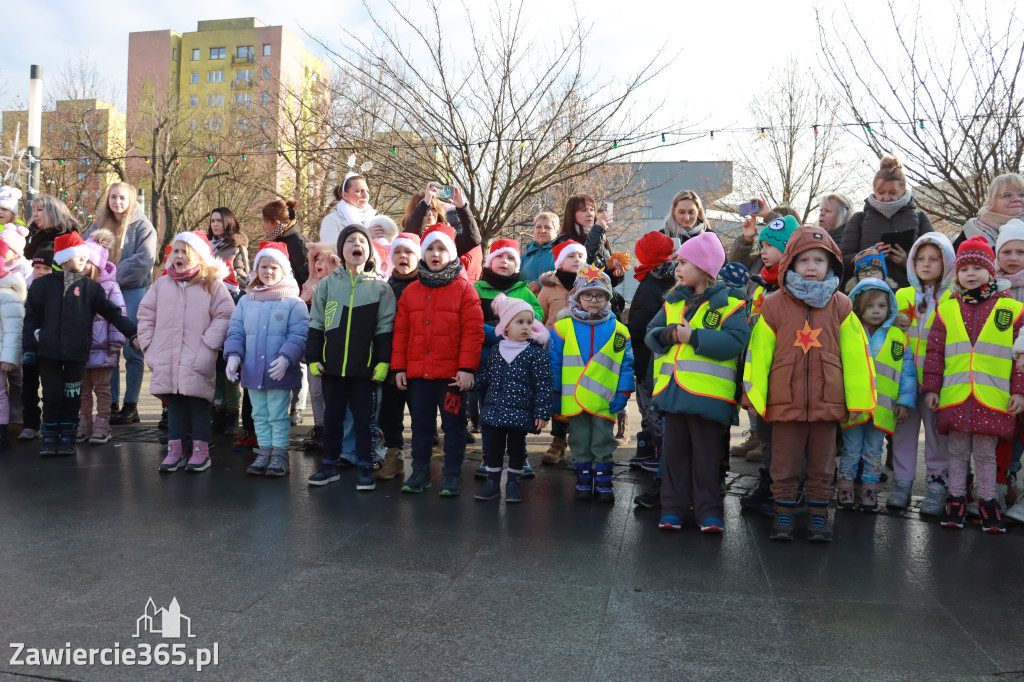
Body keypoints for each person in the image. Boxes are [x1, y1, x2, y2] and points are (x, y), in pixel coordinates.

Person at [743, 225, 876, 542]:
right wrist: (754, 395)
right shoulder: (774, 305)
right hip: (784, 402)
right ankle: (784, 515)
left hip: (827, 402)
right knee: (784, 464)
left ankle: (818, 515)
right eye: (803, 260)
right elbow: (758, 354)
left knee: (822, 465)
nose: (811, 266)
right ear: (791, 263)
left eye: (819, 260)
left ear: (831, 264)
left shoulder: (841, 305)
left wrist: (859, 400)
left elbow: (856, 356)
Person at [644, 233, 749, 532]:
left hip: (708, 397)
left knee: (706, 459)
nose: (676, 268)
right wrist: (669, 334)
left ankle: (709, 512)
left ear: (704, 268)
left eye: (683, 262)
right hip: (674, 394)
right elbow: (651, 333)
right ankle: (672, 510)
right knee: (673, 457)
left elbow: (736, 340)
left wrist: (694, 337)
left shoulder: (730, 303)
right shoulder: (672, 301)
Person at [923, 236, 1024, 533]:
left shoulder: (1012, 309)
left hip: (991, 399)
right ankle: (955, 499)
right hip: (956, 396)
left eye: (977, 268)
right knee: (956, 453)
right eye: (964, 268)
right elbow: (934, 352)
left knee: (985, 455)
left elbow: (1020, 357)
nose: (970, 274)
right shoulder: (946, 309)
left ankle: (988, 502)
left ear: (991, 272)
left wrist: (1019, 391)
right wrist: (931, 388)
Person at [23, 232, 137, 456]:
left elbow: (112, 313)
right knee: (52, 396)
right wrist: (29, 347)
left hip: (76, 353)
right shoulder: (41, 286)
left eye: (86, 256)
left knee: (72, 396)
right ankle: (50, 437)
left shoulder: (91, 288)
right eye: (79, 256)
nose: (85, 259)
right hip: (48, 353)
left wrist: (133, 333)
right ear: (64, 258)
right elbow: (31, 319)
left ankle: (68, 437)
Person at [392, 224, 484, 496]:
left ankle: (452, 473)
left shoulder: (464, 289)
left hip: (452, 377)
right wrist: (399, 368)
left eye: (441, 248)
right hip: (419, 375)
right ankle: (420, 471)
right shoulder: (411, 291)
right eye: (430, 248)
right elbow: (401, 332)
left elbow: (473, 332)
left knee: (453, 426)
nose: (435, 253)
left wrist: (467, 368)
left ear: (452, 253)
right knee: (420, 425)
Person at [306, 224, 395, 491]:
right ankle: (329, 465)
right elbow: (316, 323)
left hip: (365, 371)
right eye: (350, 241)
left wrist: (383, 362)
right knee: (332, 419)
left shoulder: (380, 288)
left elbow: (385, 328)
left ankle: (366, 467)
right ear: (341, 250)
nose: (357, 244)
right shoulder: (328, 285)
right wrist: (313, 357)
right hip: (331, 368)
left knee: (365, 422)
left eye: (362, 241)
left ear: (369, 251)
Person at [138, 232, 234, 473]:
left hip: (198, 354)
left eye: (185, 252)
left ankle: (201, 450)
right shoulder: (162, 284)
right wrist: (149, 344)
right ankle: (176, 448)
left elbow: (225, 315)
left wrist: (209, 344)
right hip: (167, 355)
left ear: (199, 257)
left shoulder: (212, 285)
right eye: (176, 251)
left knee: (199, 403)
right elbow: (146, 314)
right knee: (175, 404)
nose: (179, 256)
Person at [547, 265, 635, 503]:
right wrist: (554, 394)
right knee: (579, 441)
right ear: (577, 296)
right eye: (587, 294)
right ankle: (584, 480)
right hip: (573, 400)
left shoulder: (619, 331)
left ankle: (604, 481)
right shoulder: (562, 329)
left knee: (603, 442)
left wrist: (624, 393)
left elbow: (626, 366)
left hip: (605, 399)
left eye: (600, 295)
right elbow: (554, 365)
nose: (593, 300)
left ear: (608, 298)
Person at [224, 242, 309, 478]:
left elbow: (299, 334)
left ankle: (279, 454)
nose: (268, 271)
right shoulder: (246, 300)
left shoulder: (294, 303)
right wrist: (233, 356)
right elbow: (236, 331)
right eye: (264, 266)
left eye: (274, 267)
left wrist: (286, 358)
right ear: (256, 269)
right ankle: (264, 452)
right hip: (253, 372)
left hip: (278, 372)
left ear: (284, 271)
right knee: (259, 415)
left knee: (278, 415)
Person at [734, 216, 800, 515]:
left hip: (785, 374)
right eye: (762, 245)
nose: (763, 250)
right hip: (761, 373)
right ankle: (769, 485)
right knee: (769, 435)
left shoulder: (793, 288)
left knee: (787, 440)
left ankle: (788, 490)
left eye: (771, 246)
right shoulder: (761, 284)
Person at [888, 233, 956, 514]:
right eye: (920, 259)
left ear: (947, 262)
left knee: (937, 437)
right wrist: (892, 320)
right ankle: (902, 484)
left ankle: (938, 486)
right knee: (902, 435)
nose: (926, 264)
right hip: (904, 381)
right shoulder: (901, 295)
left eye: (934, 259)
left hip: (937, 382)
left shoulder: (953, 297)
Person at [838, 278, 916, 511]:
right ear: (858, 307)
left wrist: (904, 401)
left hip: (883, 406)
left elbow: (907, 372)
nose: (876, 311)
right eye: (870, 306)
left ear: (890, 307)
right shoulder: (848, 332)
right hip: (854, 406)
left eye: (882, 306)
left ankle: (870, 490)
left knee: (873, 450)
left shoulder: (898, 336)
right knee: (851, 449)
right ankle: (845, 487)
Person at [84, 182, 157, 426]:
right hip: (103, 290)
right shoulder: (99, 223)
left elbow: (145, 259)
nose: (117, 202)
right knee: (108, 345)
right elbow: (86, 250)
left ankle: (131, 404)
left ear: (131, 200)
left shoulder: (143, 226)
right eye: (113, 197)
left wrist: (112, 274)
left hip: (132, 290)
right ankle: (111, 402)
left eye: (122, 197)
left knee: (132, 345)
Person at [470, 239, 543, 478]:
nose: (505, 262)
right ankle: (488, 455)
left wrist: (524, 326)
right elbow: (473, 321)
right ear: (490, 262)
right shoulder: (477, 288)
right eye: (500, 257)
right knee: (488, 411)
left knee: (519, 410)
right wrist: (499, 334)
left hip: (519, 363)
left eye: (511, 258)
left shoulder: (524, 291)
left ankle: (519, 456)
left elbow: (537, 315)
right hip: (488, 361)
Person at [474, 294, 552, 502]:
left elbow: (544, 385)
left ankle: (513, 484)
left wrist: (541, 413)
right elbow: (487, 376)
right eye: (520, 322)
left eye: (529, 322)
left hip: (520, 412)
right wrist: (470, 381)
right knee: (494, 449)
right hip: (495, 411)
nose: (526, 327)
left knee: (517, 449)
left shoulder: (535, 354)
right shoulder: (496, 351)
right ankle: (492, 483)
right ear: (506, 326)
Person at [626, 231, 677, 475]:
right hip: (659, 353)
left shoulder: (651, 283)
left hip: (647, 355)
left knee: (649, 405)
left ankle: (659, 451)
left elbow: (640, 322)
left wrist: (627, 330)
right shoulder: (667, 277)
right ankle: (648, 447)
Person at [840, 156, 934, 288]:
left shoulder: (920, 218)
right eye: (881, 192)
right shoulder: (858, 219)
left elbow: (935, 259)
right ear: (874, 190)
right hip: (869, 294)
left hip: (910, 294)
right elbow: (841, 261)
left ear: (903, 189)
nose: (886, 197)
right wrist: (868, 256)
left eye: (892, 192)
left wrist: (907, 261)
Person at [536, 239, 587, 465]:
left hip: (583, 352)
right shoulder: (548, 289)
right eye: (571, 256)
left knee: (578, 394)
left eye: (580, 256)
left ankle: (581, 441)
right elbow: (539, 319)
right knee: (557, 395)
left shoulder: (590, 285)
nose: (577, 260)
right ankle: (558, 441)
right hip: (554, 352)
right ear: (559, 262)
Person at [378, 233, 421, 481]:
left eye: (409, 252)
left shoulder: (426, 286)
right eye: (397, 252)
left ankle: (423, 462)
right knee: (390, 413)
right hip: (392, 360)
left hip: (419, 361)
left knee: (420, 415)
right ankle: (393, 457)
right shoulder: (385, 287)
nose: (403, 256)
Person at [77, 229, 126, 445]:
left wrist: (116, 341)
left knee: (102, 388)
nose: (81, 265)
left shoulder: (110, 286)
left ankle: (103, 423)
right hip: (82, 347)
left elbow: (118, 313)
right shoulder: (76, 285)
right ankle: (84, 422)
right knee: (83, 389)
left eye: (86, 260)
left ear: (95, 263)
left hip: (103, 346)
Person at [298, 242, 343, 451]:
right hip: (314, 346)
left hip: (334, 347)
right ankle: (319, 427)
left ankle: (335, 431)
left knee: (333, 393)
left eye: (324, 259)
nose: (318, 263)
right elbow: (299, 310)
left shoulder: (340, 284)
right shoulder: (308, 285)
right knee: (315, 391)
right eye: (316, 259)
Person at [401, 183, 483, 281]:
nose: (430, 213)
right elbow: (410, 237)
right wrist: (424, 205)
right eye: (427, 208)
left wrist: (462, 208)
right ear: (415, 213)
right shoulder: (408, 236)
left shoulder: (447, 236)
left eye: (433, 208)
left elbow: (473, 239)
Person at [553, 195, 624, 289]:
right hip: (581, 295)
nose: (590, 214)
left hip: (602, 295)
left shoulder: (601, 237)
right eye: (583, 210)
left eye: (592, 210)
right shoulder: (565, 240)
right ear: (572, 215)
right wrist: (597, 230)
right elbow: (585, 261)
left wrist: (616, 276)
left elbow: (605, 279)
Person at [953, 173, 1024, 249]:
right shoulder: (971, 232)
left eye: (1022, 194)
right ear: (991, 202)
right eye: (1007, 195)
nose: (1017, 199)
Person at [0, 239, 24, 450]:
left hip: (1, 356)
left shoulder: (7, 294)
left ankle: (2, 432)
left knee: (0, 394)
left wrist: (8, 358)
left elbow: (13, 329)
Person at [320, 173, 376, 246]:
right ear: (345, 195)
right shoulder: (331, 220)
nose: (365, 195)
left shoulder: (374, 219)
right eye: (359, 191)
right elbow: (331, 250)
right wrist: (365, 235)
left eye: (367, 191)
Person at [262, 199, 309, 286]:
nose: (263, 225)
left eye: (265, 221)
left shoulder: (299, 244)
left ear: (276, 223)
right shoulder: (278, 241)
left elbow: (307, 280)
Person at [208, 207, 249, 286]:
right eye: (212, 221)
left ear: (229, 222)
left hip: (227, 290)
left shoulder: (237, 248)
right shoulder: (203, 245)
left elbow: (243, 279)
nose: (215, 224)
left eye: (219, 221)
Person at [522, 212, 559, 292]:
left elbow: (567, 275)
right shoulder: (523, 258)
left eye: (547, 227)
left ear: (556, 231)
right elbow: (515, 279)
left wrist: (539, 284)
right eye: (538, 227)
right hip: (526, 298)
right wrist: (528, 285)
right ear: (534, 229)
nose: (542, 231)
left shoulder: (563, 254)